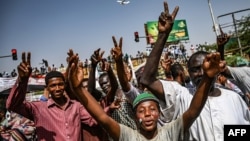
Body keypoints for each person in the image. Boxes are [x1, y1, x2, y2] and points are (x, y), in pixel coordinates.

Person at [67, 1, 226, 141]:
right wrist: (78, 88)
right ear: (135, 117)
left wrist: (208, 78)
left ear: (160, 113)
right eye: (142, 111)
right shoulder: (128, 136)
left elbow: (193, 111)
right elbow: (102, 117)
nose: (148, 114)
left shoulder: (171, 131)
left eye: (152, 109)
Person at [140, 19, 250, 141]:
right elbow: (147, 79)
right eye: (195, 69)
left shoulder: (234, 98)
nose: (203, 73)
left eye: (206, 68)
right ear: (188, 73)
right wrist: (162, 35)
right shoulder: (182, 96)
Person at [6, 52, 98, 141]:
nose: (57, 88)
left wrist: (109, 107)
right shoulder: (39, 108)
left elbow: (94, 120)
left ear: (64, 86)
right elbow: (12, 105)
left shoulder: (76, 106)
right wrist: (22, 80)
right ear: (47, 88)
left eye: (60, 84)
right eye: (53, 85)